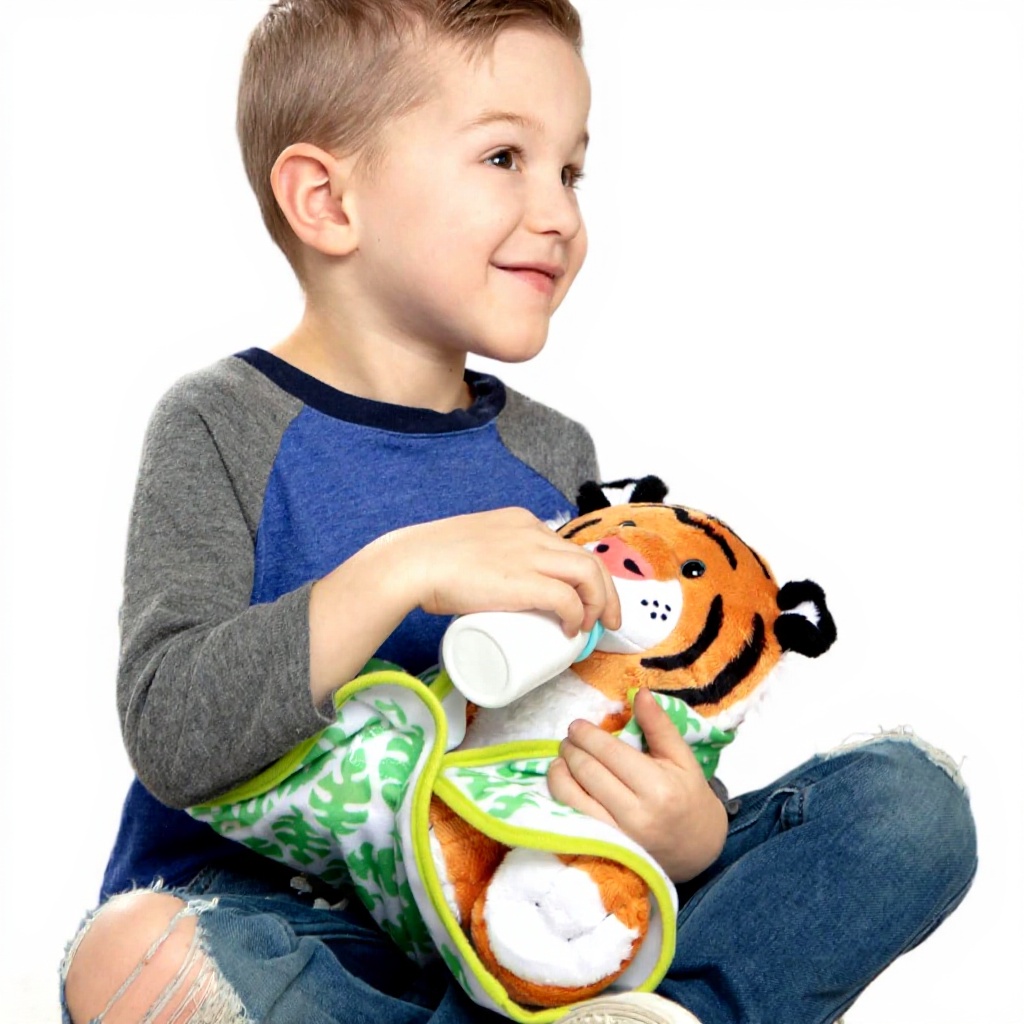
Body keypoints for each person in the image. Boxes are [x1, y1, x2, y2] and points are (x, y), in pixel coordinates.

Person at [59, 2, 977, 1023]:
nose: (560, 215)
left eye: (571, 172)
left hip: (536, 907)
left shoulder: (554, 456)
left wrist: (688, 832)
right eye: (504, 157)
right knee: (130, 955)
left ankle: (667, 1012)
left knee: (909, 805)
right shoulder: (220, 423)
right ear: (326, 199)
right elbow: (173, 733)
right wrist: (396, 572)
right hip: (302, 933)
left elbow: (608, 708)